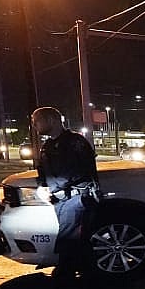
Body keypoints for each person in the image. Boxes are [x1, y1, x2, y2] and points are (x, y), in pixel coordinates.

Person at [32, 107, 99, 278]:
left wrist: (58, 188)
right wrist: (43, 186)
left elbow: (83, 171)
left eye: (37, 121)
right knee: (78, 240)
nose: (35, 125)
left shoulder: (75, 142)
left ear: (52, 120)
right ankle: (92, 276)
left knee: (69, 237)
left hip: (77, 198)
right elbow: (42, 171)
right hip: (60, 200)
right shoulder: (48, 146)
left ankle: (65, 275)